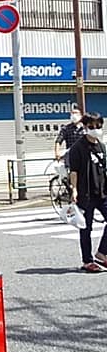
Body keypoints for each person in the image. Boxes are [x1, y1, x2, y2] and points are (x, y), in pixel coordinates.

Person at [67, 112, 107, 272]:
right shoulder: (78, 147)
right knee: (86, 228)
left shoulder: (101, 145)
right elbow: (74, 171)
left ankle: (102, 253)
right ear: (85, 127)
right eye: (91, 126)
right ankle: (87, 260)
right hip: (86, 193)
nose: (95, 129)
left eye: (98, 126)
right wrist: (74, 190)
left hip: (103, 192)